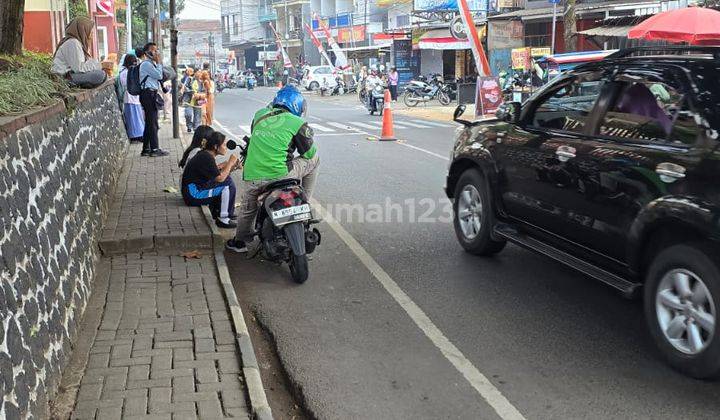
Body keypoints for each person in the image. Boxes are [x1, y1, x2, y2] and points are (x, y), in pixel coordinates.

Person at [226, 85, 319, 253]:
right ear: (297, 105)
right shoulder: (297, 123)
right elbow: (309, 153)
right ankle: (305, 201)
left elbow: (255, 135)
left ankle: (239, 242)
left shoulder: (259, 115)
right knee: (315, 159)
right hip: (282, 175)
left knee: (248, 209)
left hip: (254, 176)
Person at [181, 131, 239, 229]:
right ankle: (223, 219)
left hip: (194, 190)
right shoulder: (206, 157)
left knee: (227, 180)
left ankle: (223, 211)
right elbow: (220, 178)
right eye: (224, 145)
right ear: (216, 146)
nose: (226, 147)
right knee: (226, 185)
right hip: (193, 194)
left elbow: (217, 174)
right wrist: (230, 163)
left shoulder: (205, 155)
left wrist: (231, 166)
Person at [51, 17, 107, 88]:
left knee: (100, 74)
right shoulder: (73, 43)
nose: (91, 36)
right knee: (101, 75)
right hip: (64, 78)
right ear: (83, 31)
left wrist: (97, 65)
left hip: (71, 75)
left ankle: (83, 84)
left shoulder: (76, 43)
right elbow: (79, 68)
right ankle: (78, 84)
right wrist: (100, 65)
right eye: (91, 32)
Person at [138, 42, 168, 157]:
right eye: (153, 50)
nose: (156, 53)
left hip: (150, 94)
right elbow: (159, 76)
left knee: (149, 123)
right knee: (153, 123)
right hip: (148, 95)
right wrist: (159, 62)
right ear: (147, 52)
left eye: (156, 50)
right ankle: (155, 149)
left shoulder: (150, 64)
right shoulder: (146, 64)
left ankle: (146, 148)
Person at [118, 54, 144, 142]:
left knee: (136, 117)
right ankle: (135, 136)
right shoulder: (125, 72)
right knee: (133, 117)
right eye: (133, 62)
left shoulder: (127, 71)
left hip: (134, 97)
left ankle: (139, 134)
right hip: (129, 97)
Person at [180, 68, 200, 132]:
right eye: (198, 72)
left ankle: (195, 128)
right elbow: (184, 87)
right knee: (188, 114)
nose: (199, 74)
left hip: (198, 100)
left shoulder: (201, 81)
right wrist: (191, 91)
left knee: (197, 115)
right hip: (188, 99)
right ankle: (189, 125)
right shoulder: (189, 79)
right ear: (195, 73)